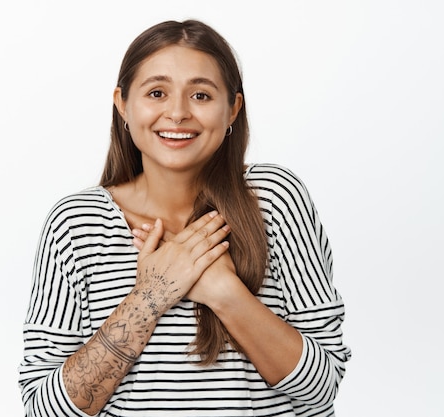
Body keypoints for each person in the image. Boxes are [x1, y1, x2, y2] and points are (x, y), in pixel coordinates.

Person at [18, 19, 351, 417]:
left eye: (201, 95)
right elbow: (44, 409)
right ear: (123, 104)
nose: (177, 113)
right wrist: (151, 296)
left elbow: (323, 388)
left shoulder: (274, 199)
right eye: (156, 92)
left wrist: (223, 292)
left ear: (233, 109)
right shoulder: (77, 224)